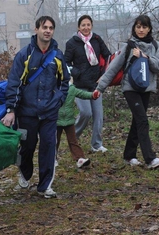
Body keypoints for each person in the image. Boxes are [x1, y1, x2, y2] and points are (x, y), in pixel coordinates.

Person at [1, 16, 70, 199]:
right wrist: (11, 110)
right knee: (27, 147)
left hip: (49, 112)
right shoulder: (24, 55)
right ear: (36, 29)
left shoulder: (58, 56)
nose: (48, 30)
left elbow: (64, 82)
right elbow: (14, 83)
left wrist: (59, 100)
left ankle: (44, 185)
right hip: (27, 112)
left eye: (51, 28)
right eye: (44, 27)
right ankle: (25, 174)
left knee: (48, 146)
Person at [95, 15, 159, 169]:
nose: (141, 30)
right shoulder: (128, 46)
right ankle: (150, 159)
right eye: (138, 26)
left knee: (137, 121)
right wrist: (100, 88)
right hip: (130, 88)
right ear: (134, 28)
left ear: (149, 29)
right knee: (142, 120)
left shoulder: (155, 45)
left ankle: (129, 155)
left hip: (146, 88)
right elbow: (113, 67)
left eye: (144, 27)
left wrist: (146, 57)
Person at [65, 15, 111, 153]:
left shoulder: (97, 40)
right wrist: (76, 72)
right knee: (86, 113)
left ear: (92, 26)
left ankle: (96, 144)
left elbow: (108, 56)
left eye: (88, 25)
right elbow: (65, 63)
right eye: (83, 25)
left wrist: (103, 75)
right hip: (80, 85)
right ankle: (73, 139)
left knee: (98, 115)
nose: (86, 27)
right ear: (79, 27)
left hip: (96, 84)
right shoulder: (72, 43)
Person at [57, 83, 100, 168]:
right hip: (56, 121)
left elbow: (82, 94)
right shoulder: (53, 88)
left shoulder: (71, 89)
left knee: (73, 141)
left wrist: (92, 95)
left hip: (69, 121)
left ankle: (80, 158)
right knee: (54, 141)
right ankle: (52, 159)